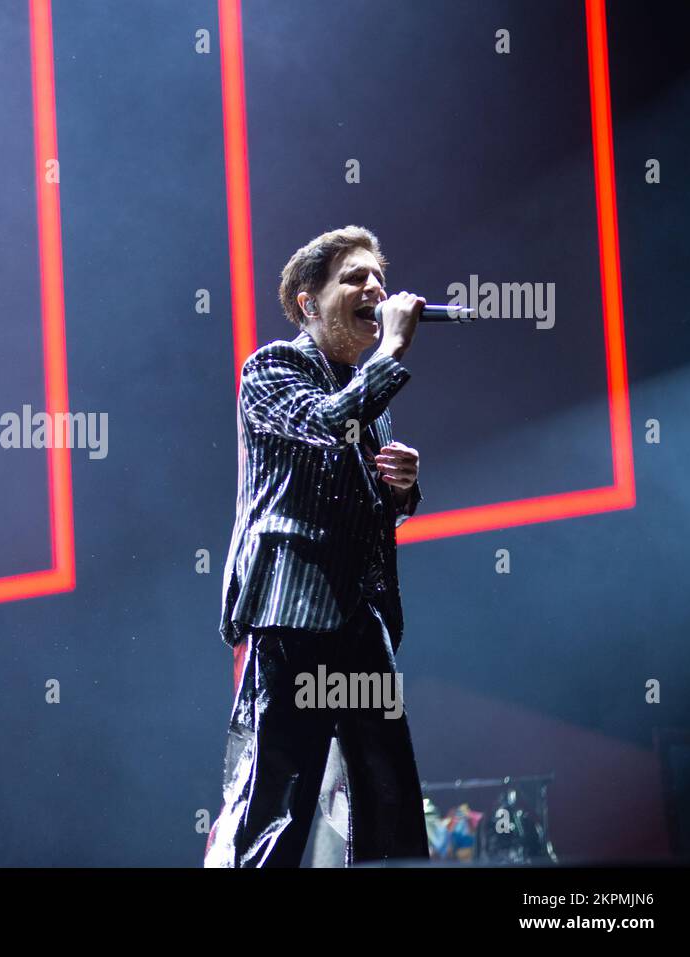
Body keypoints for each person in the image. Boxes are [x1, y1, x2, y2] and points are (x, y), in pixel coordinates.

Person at [205, 225, 431, 867]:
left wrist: (404, 489)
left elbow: (366, 498)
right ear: (308, 302)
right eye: (354, 278)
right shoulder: (273, 367)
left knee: (387, 787)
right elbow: (320, 426)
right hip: (295, 604)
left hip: (362, 613)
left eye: (379, 279)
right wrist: (390, 349)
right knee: (279, 790)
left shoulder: (369, 393)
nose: (375, 289)